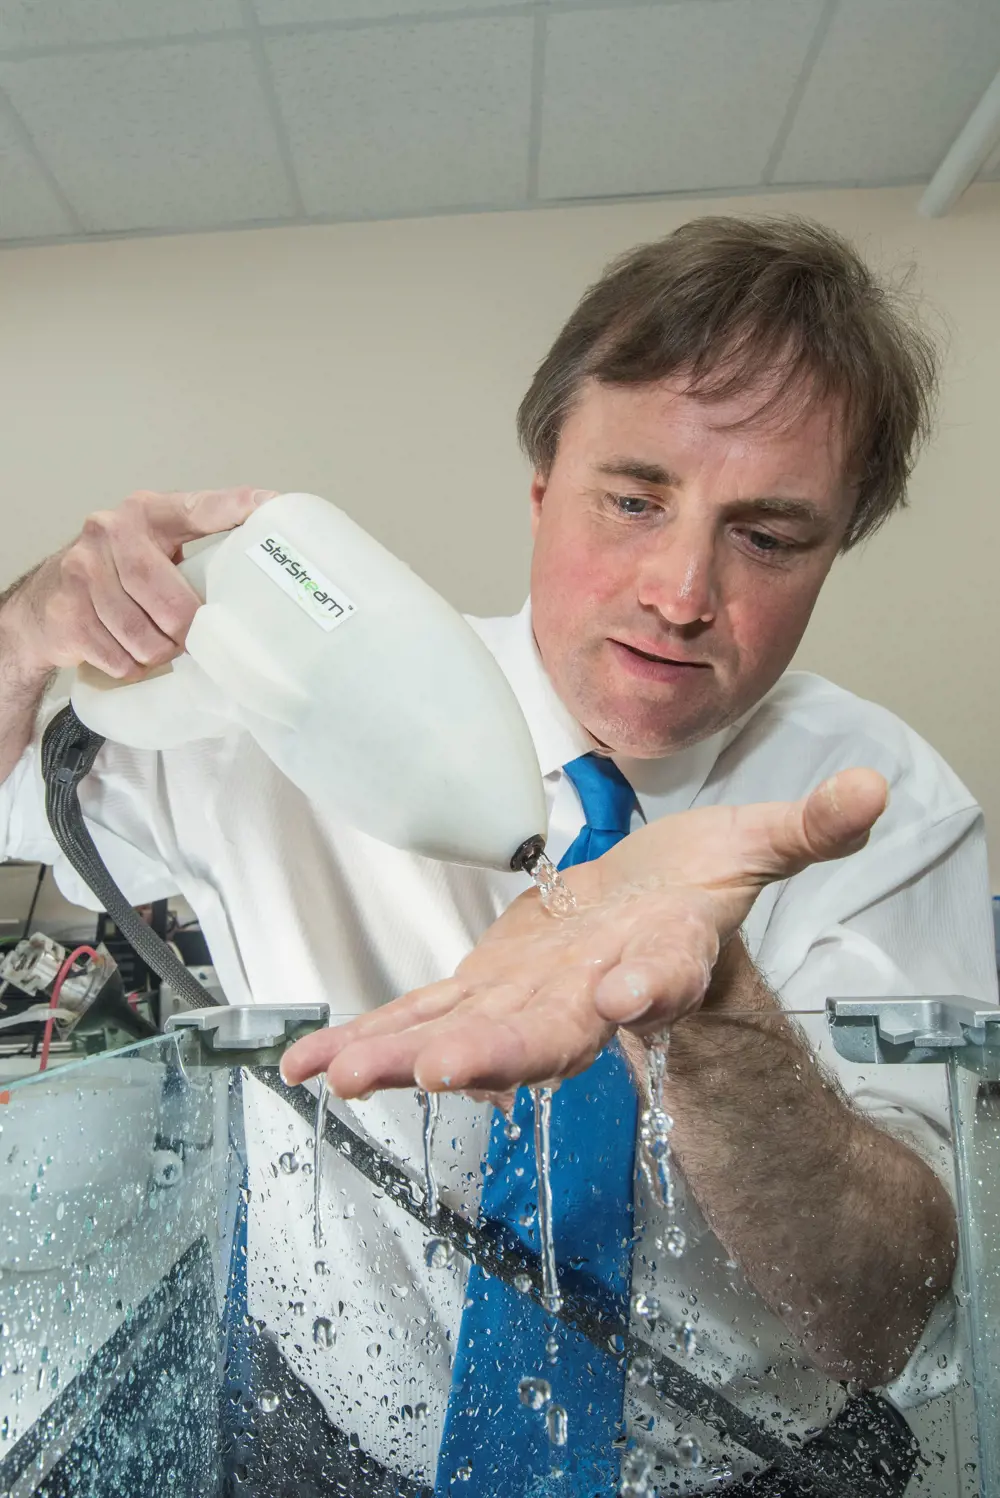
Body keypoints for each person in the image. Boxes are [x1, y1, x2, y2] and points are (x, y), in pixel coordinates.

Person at [0, 215, 994, 1497]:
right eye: (633, 499)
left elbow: (886, 1316)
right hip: (324, 1448)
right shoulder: (293, 707)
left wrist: (716, 1014)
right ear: (541, 488)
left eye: (768, 536)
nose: (681, 590)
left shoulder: (884, 807)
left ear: (833, 550)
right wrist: (27, 629)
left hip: (747, 1472)